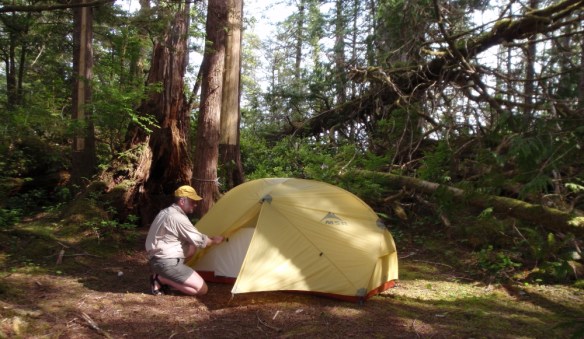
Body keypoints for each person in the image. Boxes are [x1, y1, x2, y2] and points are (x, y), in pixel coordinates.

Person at [145, 185, 224, 296]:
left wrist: (207, 238)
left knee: (192, 246)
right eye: (192, 202)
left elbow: (195, 238)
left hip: (157, 259)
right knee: (202, 289)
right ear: (182, 201)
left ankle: (168, 274)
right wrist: (214, 241)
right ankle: (161, 278)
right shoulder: (177, 217)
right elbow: (201, 241)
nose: (195, 205)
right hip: (166, 262)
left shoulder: (166, 212)